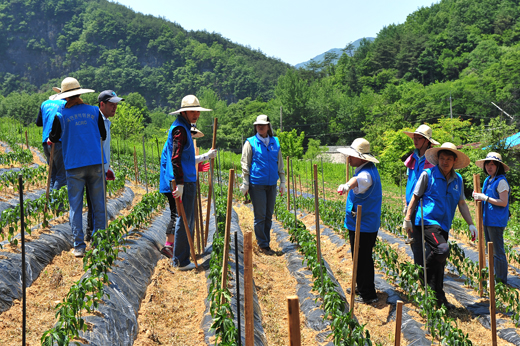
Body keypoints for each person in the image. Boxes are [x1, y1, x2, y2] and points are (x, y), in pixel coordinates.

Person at [403, 142, 477, 309]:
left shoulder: (458, 180)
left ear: (454, 161)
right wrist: (408, 218)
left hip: (444, 224)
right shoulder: (427, 174)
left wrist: (471, 224)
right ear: (437, 159)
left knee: (440, 261)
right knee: (442, 250)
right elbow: (415, 197)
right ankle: (422, 274)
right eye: (442, 158)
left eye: (448, 159)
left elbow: (462, 203)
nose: (444, 162)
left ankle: (439, 299)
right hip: (427, 220)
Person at [48, 77, 107, 258]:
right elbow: (102, 135)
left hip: (74, 166)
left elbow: (54, 137)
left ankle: (79, 246)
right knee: (98, 205)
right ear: (80, 93)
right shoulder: (94, 111)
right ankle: (100, 243)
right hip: (96, 162)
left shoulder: (60, 115)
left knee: (75, 207)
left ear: (65, 97)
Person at [159, 95, 216, 271]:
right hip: (183, 181)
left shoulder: (183, 127)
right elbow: (175, 158)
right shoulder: (180, 130)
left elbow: (184, 157)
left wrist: (205, 156)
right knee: (184, 220)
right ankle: (180, 261)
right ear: (184, 112)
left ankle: (180, 257)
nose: (196, 115)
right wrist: (181, 184)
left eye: (197, 111)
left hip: (186, 179)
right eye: (192, 111)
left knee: (186, 220)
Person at [336, 138, 382, 304]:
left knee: (363, 258)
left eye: (352, 156)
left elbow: (359, 181)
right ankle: (360, 286)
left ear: (362, 158)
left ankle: (368, 294)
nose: (349, 159)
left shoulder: (366, 173)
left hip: (364, 224)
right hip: (362, 223)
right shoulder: (366, 169)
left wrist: (347, 186)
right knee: (360, 257)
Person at [240, 115, 286, 255]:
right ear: (255, 127)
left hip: (272, 184)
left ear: (268, 126)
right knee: (260, 215)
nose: (260, 127)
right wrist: (245, 182)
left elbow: (280, 163)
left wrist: (282, 181)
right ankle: (263, 245)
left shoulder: (275, 142)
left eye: (263, 125)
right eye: (258, 125)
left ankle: (266, 243)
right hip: (257, 184)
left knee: (268, 215)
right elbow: (245, 163)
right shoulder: (250, 143)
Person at [85, 90, 124, 241]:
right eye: (111, 104)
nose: (115, 107)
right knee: (96, 203)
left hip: (101, 167)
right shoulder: (97, 121)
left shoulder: (106, 121)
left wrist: (108, 167)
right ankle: (94, 234)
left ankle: (93, 233)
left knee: (97, 203)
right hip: (95, 168)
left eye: (116, 104)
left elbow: (103, 147)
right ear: (102, 104)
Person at [402, 125, 440, 265]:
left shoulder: (432, 160)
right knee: (414, 240)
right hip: (412, 204)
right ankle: (420, 270)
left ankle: (428, 271)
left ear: (427, 141)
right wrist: (407, 205)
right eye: (415, 138)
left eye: (419, 138)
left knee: (428, 241)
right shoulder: (412, 158)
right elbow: (409, 181)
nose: (415, 140)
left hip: (426, 205)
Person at [473, 152, 510, 284]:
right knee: (491, 249)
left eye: (493, 164)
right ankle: (494, 276)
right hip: (487, 219)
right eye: (487, 164)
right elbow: (483, 196)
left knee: (497, 251)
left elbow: (503, 202)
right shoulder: (488, 180)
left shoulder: (501, 181)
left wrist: (486, 198)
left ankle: (501, 281)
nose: (490, 166)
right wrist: (478, 195)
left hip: (496, 220)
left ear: (498, 166)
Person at [35, 95, 67, 194]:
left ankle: (50, 204)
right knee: (62, 175)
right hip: (58, 141)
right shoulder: (64, 104)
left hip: (46, 142)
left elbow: (38, 123)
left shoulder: (44, 104)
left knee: (52, 174)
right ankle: (56, 204)